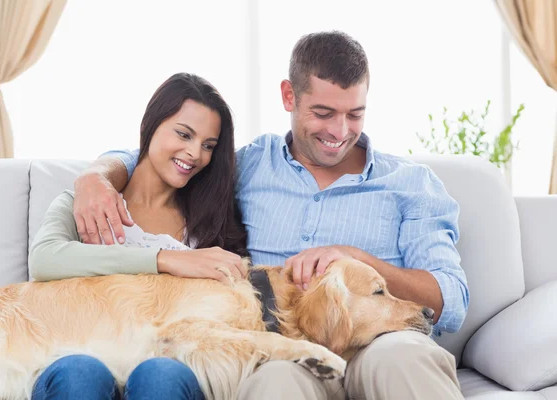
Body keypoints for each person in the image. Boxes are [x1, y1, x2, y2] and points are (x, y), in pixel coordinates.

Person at [73, 31, 469, 400]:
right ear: (288, 96)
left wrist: (357, 259)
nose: (339, 131)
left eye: (354, 114)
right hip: (282, 346)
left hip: (381, 343)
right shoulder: (251, 166)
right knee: (275, 380)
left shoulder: (411, 183)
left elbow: (450, 299)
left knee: (402, 357)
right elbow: (166, 157)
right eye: (323, 112)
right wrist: (96, 177)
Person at [28, 72, 249, 400]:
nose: (194, 153)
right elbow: (44, 260)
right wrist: (166, 260)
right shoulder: (89, 203)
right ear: (150, 125)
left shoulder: (209, 224)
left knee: (160, 374)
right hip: (79, 355)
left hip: (169, 363)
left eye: (208, 146)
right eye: (184, 134)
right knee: (79, 372)